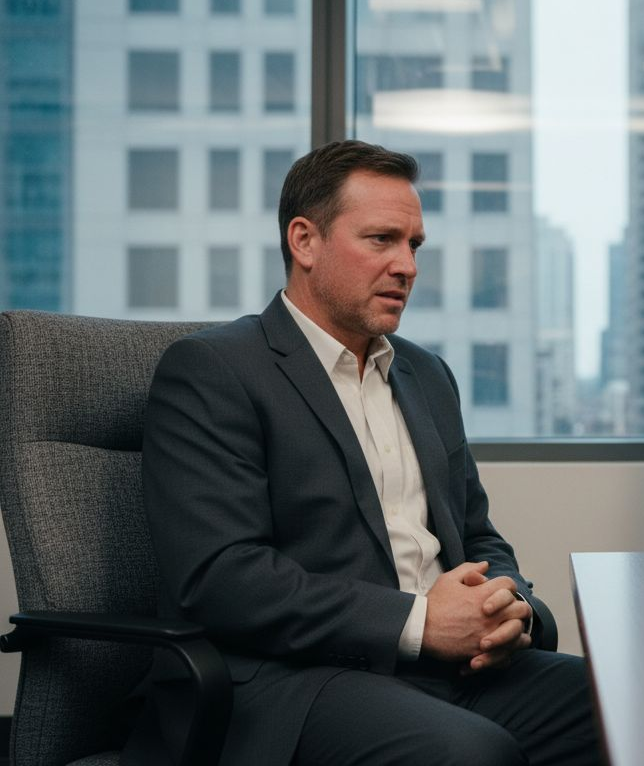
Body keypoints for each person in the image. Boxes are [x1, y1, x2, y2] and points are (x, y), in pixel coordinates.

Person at [130, 140, 600, 764]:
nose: (407, 266)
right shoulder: (214, 370)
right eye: (382, 240)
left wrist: (508, 608)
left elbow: (478, 536)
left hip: (450, 671)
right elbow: (222, 578)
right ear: (304, 241)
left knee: (631, 703)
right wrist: (420, 623)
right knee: (468, 753)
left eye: (414, 245)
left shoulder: (427, 376)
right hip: (295, 682)